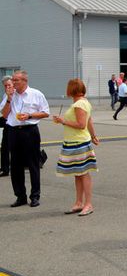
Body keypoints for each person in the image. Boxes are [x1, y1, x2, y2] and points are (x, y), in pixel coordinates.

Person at [1, 70, 50, 207]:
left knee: (33, 164)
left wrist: (30, 116)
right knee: (15, 166)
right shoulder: (10, 95)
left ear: (24, 81)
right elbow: (4, 115)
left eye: (16, 80)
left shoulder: (36, 94)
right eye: (13, 80)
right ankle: (20, 196)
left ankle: (35, 196)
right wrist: (9, 98)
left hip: (30, 131)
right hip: (14, 131)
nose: (13, 83)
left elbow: (45, 112)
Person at [52, 79, 99, 216]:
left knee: (83, 174)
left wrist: (63, 121)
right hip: (76, 141)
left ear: (71, 90)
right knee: (78, 174)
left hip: (78, 142)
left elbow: (81, 124)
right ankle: (79, 202)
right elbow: (89, 121)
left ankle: (88, 203)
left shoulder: (79, 104)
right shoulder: (84, 102)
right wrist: (94, 135)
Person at [0, 76, 11, 177]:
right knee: (4, 147)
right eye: (5, 85)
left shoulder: (13, 95)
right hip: (5, 120)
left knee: (6, 147)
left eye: (9, 85)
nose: (7, 87)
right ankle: (4, 167)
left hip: (10, 122)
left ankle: (5, 168)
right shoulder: (5, 94)